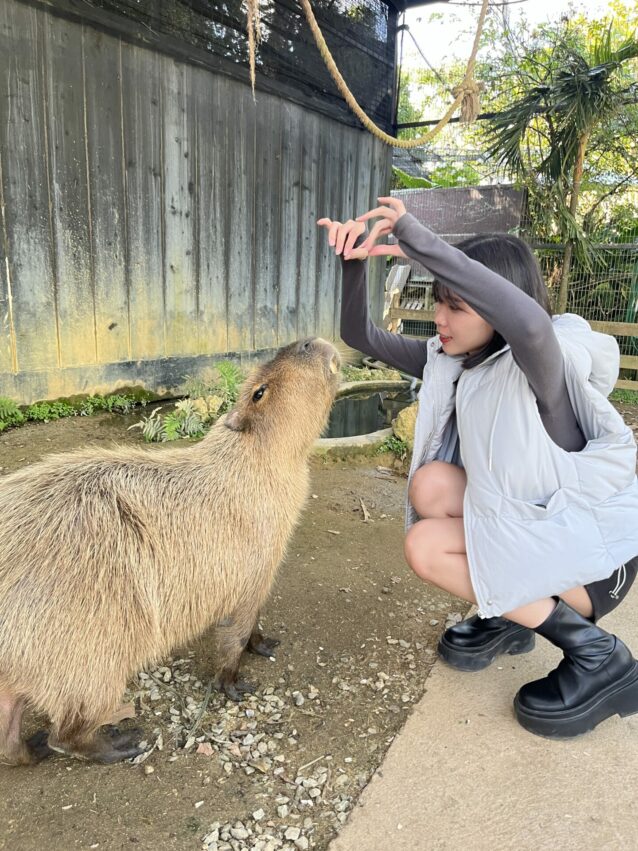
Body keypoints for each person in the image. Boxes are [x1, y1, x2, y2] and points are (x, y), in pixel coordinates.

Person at [317, 196, 638, 739]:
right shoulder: (453, 359)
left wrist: (421, 240)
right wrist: (353, 268)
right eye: (439, 303)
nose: (439, 318)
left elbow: (531, 327)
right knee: (431, 486)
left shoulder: (543, 369)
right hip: (535, 536)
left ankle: (600, 656)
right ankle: (508, 618)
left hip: (594, 566)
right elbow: (360, 337)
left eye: (457, 306)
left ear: (497, 307)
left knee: (426, 548)